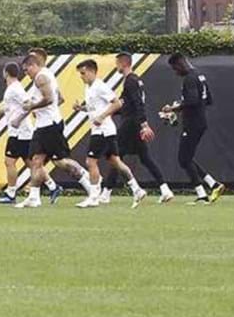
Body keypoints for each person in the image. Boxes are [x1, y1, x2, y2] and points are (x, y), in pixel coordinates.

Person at [15, 51, 92, 209]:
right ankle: (34, 197)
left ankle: (91, 186)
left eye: (26, 69)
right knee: (36, 161)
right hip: (43, 125)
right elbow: (60, 99)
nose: (25, 73)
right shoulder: (47, 75)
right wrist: (37, 106)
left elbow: (50, 99)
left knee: (61, 162)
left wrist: (32, 106)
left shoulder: (41, 77)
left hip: (50, 126)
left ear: (33, 65)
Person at [72, 59, 146, 209]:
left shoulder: (100, 86)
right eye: (80, 74)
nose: (82, 77)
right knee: (115, 162)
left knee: (90, 162)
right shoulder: (89, 88)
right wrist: (81, 108)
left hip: (103, 131)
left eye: (83, 73)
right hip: (103, 131)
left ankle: (93, 197)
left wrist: (103, 116)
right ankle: (137, 189)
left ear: (92, 71)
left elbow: (117, 103)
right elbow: (95, 108)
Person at [103, 52, 173, 204]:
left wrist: (144, 124)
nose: (116, 67)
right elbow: (124, 104)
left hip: (130, 124)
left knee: (115, 157)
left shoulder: (130, 81)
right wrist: (105, 113)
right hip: (133, 122)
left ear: (123, 64)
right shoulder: (135, 80)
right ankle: (165, 189)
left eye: (117, 64)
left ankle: (107, 192)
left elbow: (137, 104)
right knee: (145, 158)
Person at [160, 53, 225, 205]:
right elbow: (208, 99)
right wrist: (182, 106)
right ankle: (213, 184)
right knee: (186, 159)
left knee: (183, 159)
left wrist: (173, 108)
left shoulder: (189, 78)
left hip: (192, 124)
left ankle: (202, 194)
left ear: (179, 64)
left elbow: (192, 100)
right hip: (200, 122)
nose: (175, 72)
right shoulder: (200, 76)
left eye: (174, 68)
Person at [0, 63, 34, 205]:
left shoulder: (15, 89)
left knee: (9, 161)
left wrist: (18, 120)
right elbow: (11, 107)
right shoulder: (12, 89)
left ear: (6, 73)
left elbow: (28, 104)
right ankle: (52, 186)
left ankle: (11, 192)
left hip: (20, 132)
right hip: (19, 131)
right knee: (31, 163)